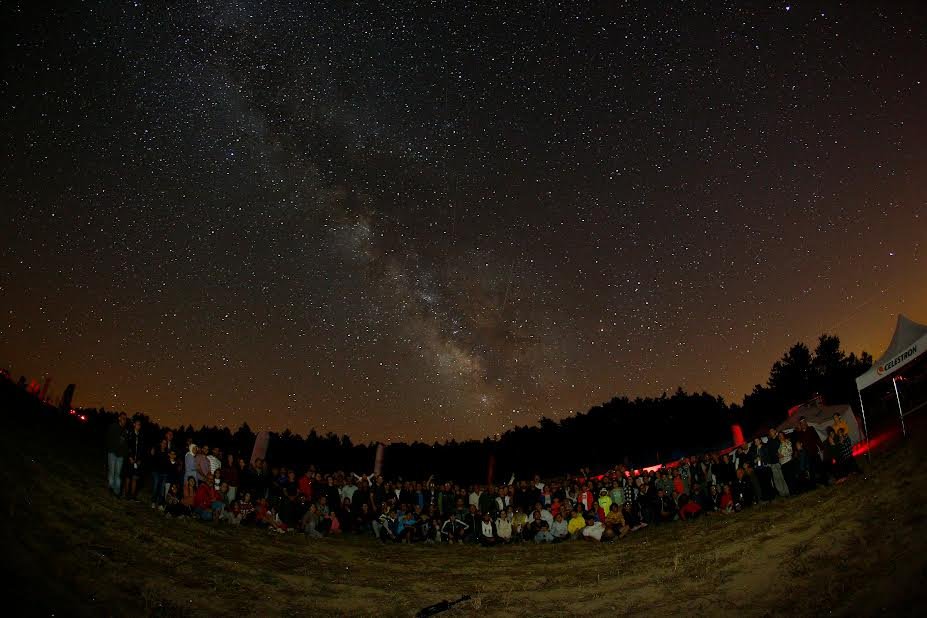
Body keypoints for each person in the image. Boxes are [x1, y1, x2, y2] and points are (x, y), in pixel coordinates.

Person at [105, 413, 129, 496]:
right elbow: (109, 438)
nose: (124, 420)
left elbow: (126, 444)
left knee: (118, 474)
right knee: (112, 471)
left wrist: (124, 453)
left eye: (125, 419)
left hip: (120, 455)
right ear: (119, 418)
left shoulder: (126, 430)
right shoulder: (113, 427)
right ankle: (111, 488)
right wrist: (112, 448)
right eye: (122, 418)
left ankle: (117, 491)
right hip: (112, 453)